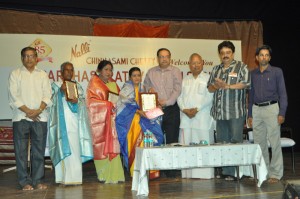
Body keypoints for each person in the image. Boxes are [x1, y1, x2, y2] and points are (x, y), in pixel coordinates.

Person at [8, 47, 52, 190]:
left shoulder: (43, 75)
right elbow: (14, 96)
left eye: (32, 56)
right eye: (26, 56)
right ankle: (24, 182)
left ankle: (38, 180)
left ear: (36, 58)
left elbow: (47, 95)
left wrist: (37, 111)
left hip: (40, 118)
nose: (29, 59)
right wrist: (28, 112)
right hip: (21, 117)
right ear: (22, 58)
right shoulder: (15, 74)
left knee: (38, 151)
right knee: (20, 152)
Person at [207, 41, 250, 181]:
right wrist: (216, 85)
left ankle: (237, 171)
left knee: (235, 141)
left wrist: (227, 86)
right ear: (219, 55)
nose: (225, 55)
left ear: (233, 53)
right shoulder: (216, 69)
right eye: (222, 53)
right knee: (222, 142)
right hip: (220, 113)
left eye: (228, 52)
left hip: (235, 112)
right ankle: (227, 171)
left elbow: (246, 83)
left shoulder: (241, 67)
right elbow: (209, 88)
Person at [48, 62, 93, 185]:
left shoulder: (77, 86)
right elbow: (49, 103)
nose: (68, 72)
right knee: (62, 148)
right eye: (66, 70)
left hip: (74, 123)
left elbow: (83, 104)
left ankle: (74, 179)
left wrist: (77, 101)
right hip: (60, 125)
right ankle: (62, 178)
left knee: (74, 148)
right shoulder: (55, 86)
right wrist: (60, 93)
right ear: (61, 73)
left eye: (71, 70)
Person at [247, 45, 287, 184]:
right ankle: (263, 172)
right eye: (261, 55)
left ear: (269, 58)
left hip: (272, 109)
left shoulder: (277, 72)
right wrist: (250, 115)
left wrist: (282, 112)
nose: (263, 57)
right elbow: (250, 96)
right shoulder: (252, 74)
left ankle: (275, 174)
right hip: (256, 110)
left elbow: (283, 94)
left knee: (275, 143)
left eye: (266, 55)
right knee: (260, 144)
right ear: (257, 58)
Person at [116, 67, 164, 177]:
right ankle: (136, 170)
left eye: (138, 75)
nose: (137, 77)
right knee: (136, 143)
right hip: (131, 122)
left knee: (149, 140)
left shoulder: (144, 88)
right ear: (130, 77)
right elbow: (124, 105)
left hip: (144, 119)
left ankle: (149, 171)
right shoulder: (126, 89)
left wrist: (155, 104)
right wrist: (138, 111)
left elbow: (147, 104)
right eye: (134, 75)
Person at [143, 48, 182, 177]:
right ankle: (157, 169)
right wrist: (151, 92)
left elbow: (178, 90)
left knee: (172, 140)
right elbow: (145, 86)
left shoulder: (176, 71)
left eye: (166, 56)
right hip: (155, 109)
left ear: (170, 58)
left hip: (171, 109)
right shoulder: (151, 72)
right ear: (157, 58)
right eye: (161, 56)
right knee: (156, 139)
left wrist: (167, 102)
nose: (164, 59)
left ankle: (172, 170)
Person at [86, 60, 125, 183]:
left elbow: (119, 100)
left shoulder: (113, 84)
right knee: (102, 145)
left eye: (111, 70)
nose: (109, 72)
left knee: (114, 146)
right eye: (106, 69)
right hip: (100, 122)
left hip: (113, 121)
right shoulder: (94, 83)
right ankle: (104, 175)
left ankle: (116, 175)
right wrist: (108, 105)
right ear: (99, 70)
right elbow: (90, 103)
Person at [177, 53, 215, 179]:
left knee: (203, 146)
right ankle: (188, 174)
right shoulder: (185, 79)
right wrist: (184, 109)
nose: (196, 65)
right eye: (193, 63)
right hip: (187, 119)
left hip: (202, 119)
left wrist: (196, 109)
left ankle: (204, 175)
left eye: (198, 62)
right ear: (189, 64)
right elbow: (179, 97)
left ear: (202, 63)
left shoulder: (208, 78)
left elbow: (209, 97)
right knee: (187, 146)